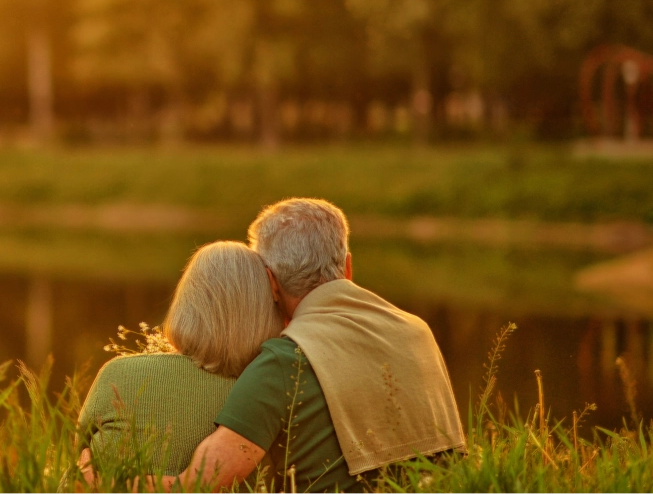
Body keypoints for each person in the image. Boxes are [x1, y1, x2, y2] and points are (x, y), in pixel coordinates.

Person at [164, 198, 466, 493]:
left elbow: (198, 485)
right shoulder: (417, 331)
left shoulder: (285, 360)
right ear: (347, 267)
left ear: (270, 282)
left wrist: (124, 479)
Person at [77, 241, 282, 477]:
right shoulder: (269, 395)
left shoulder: (117, 374)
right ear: (264, 312)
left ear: (186, 303)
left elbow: (80, 451)